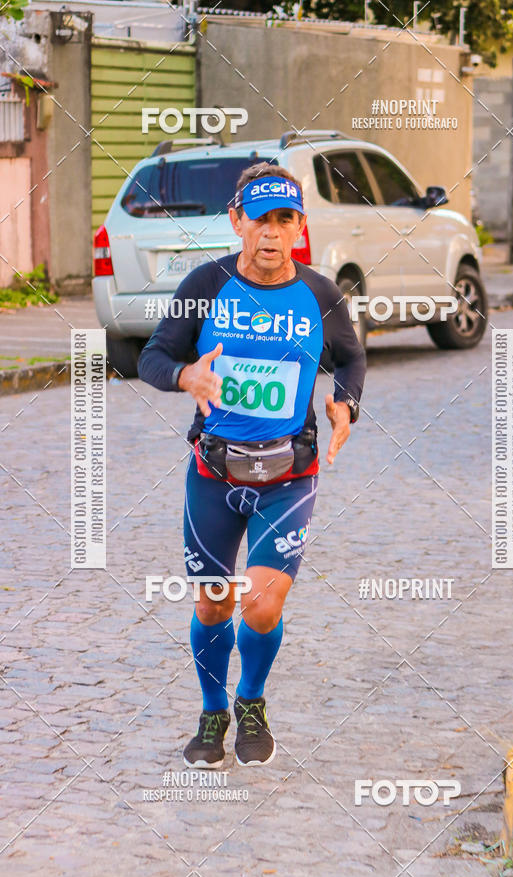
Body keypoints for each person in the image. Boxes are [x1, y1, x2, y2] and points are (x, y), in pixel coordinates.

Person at [138, 163, 366, 768]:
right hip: (214, 474)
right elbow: (153, 356)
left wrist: (345, 401)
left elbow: (350, 357)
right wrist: (186, 374)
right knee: (213, 602)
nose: (271, 232)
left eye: (284, 219)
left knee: (261, 605)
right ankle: (212, 710)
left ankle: (251, 700)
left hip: (288, 476)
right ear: (237, 220)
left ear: (299, 225)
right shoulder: (206, 285)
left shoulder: (319, 294)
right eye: (259, 219)